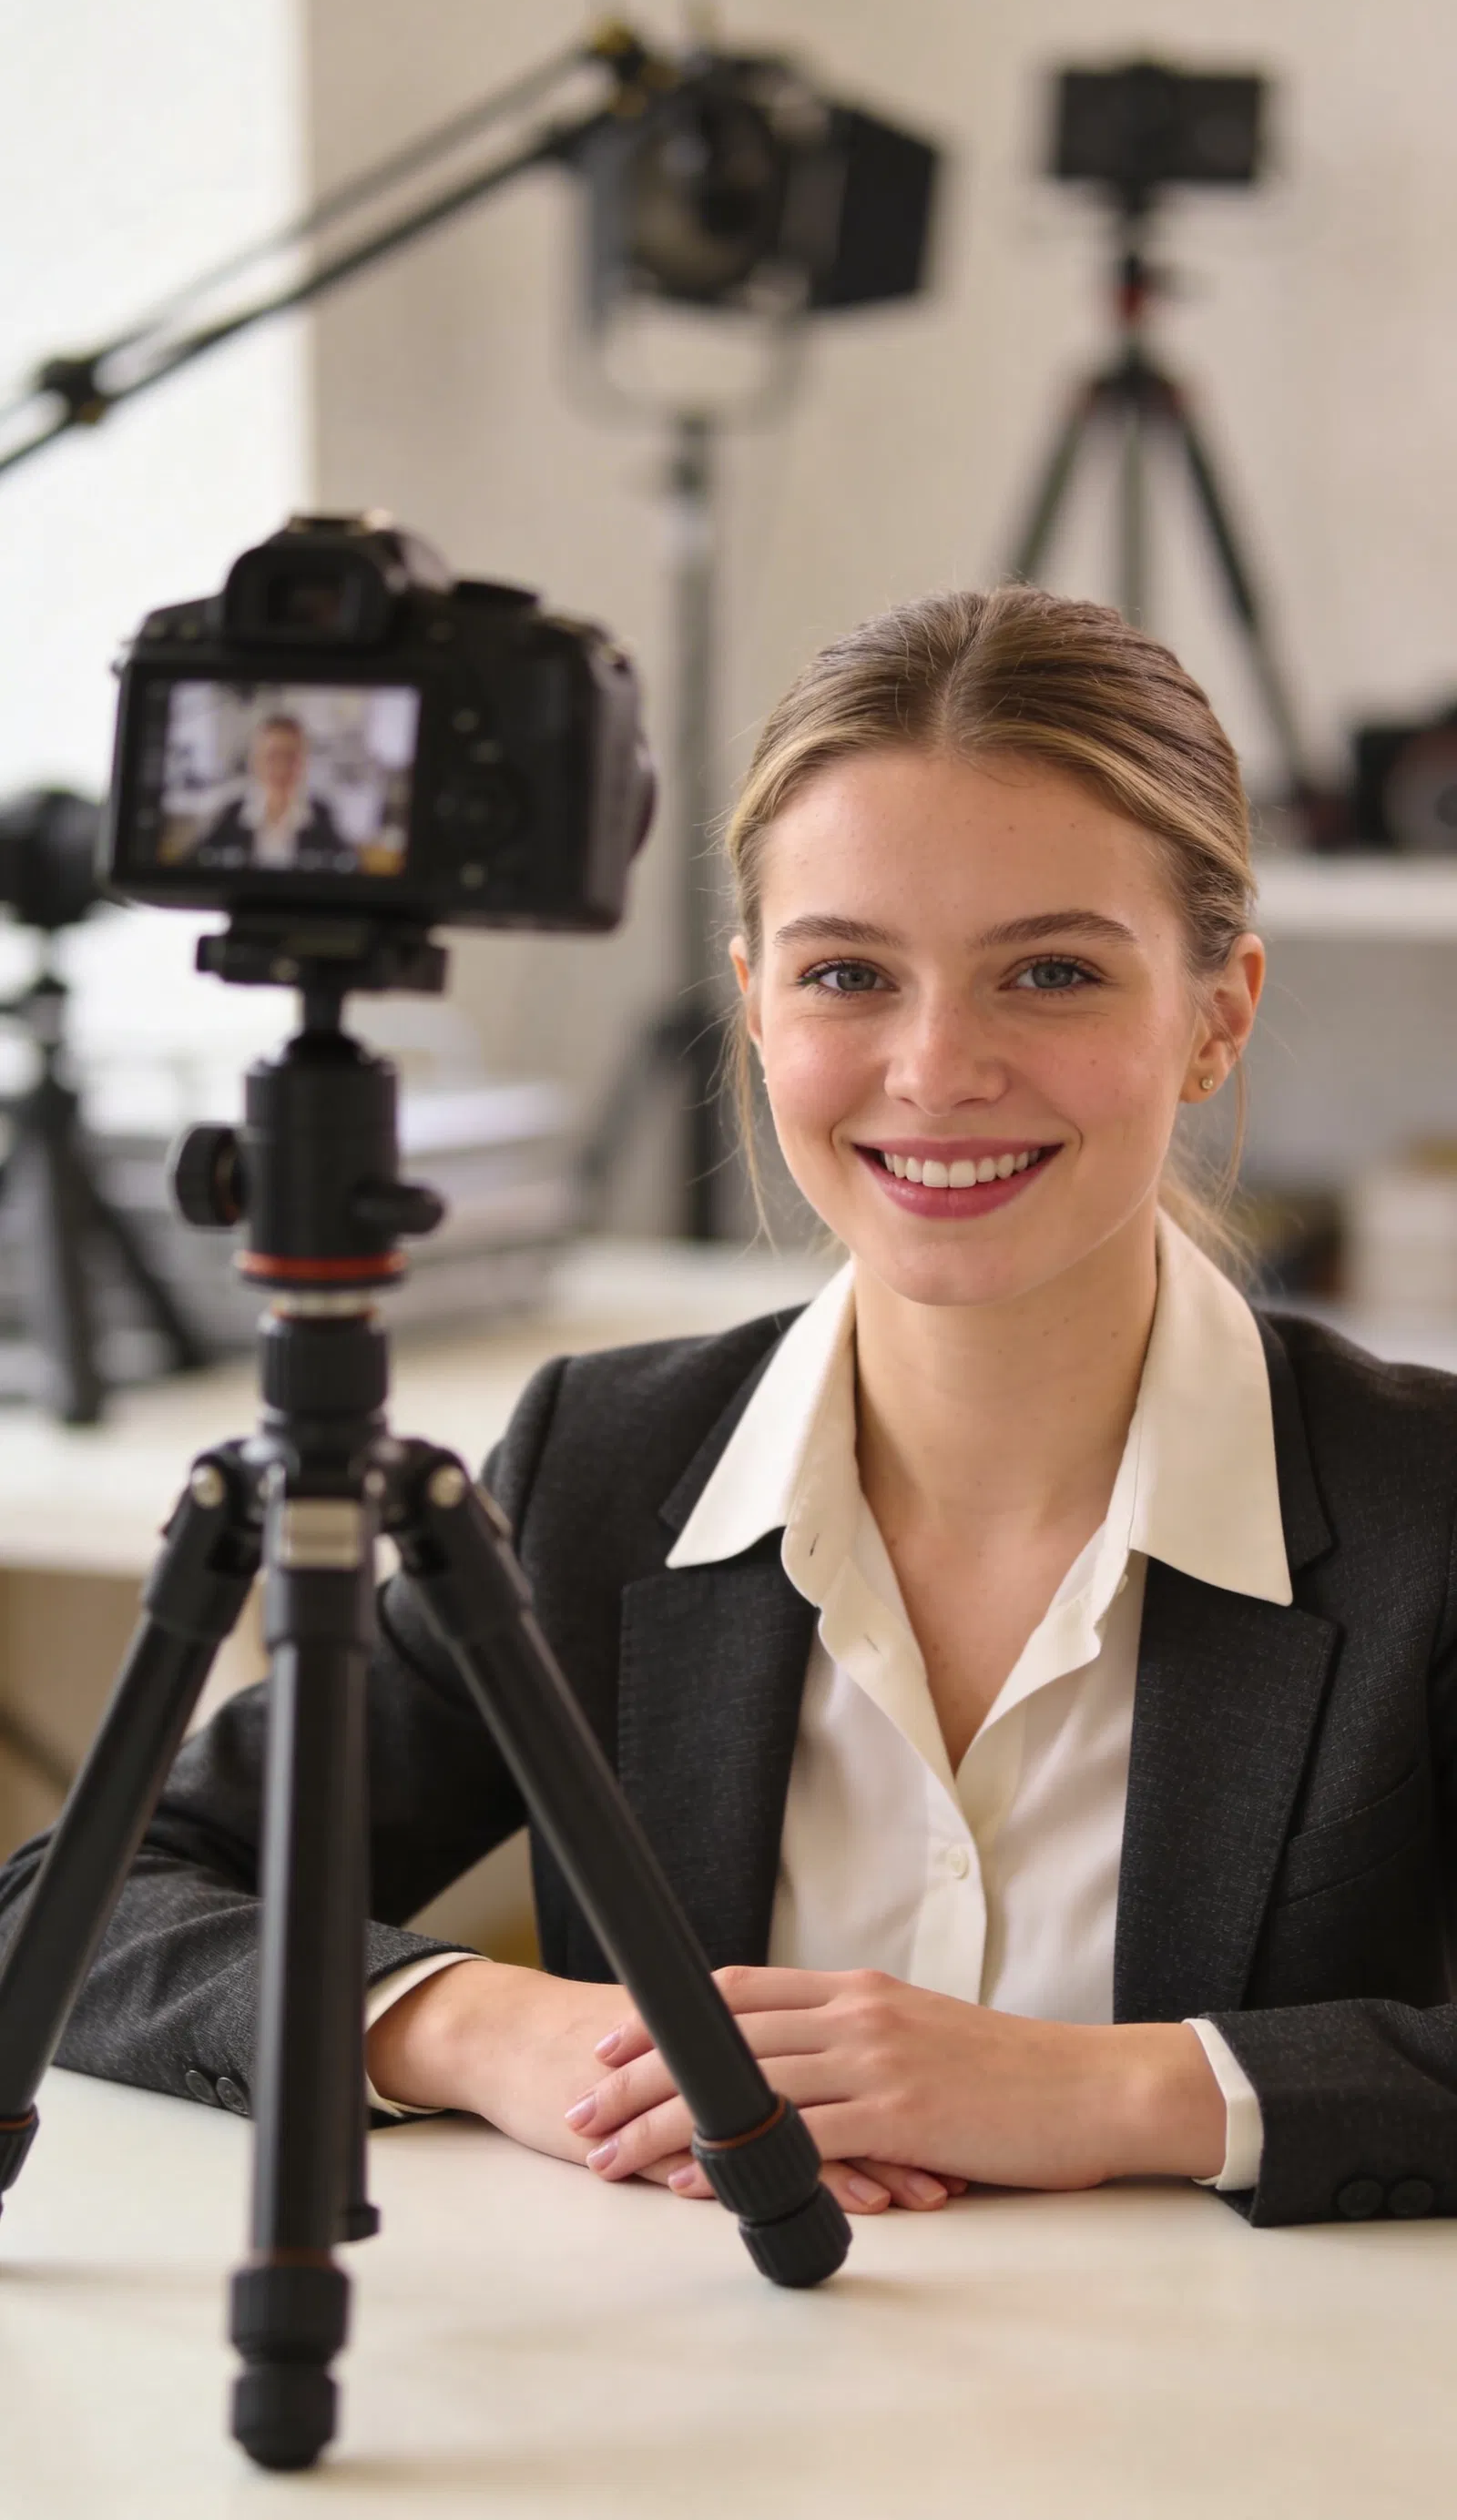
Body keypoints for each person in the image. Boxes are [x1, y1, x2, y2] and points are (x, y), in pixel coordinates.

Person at [4, 586, 1455, 2229]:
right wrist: (505, 2026)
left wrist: (1116, 2084)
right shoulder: (601, 1468)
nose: (933, 1066)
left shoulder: (1429, 1504)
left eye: (1049, 969)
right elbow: (77, 1896)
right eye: (848, 973)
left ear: (1218, 1012)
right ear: (755, 1001)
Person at [189, 712, 354, 872]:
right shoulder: (231, 813)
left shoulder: (322, 814)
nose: (281, 767)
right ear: (255, 761)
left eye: (291, 756)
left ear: (304, 763)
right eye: (272, 756)